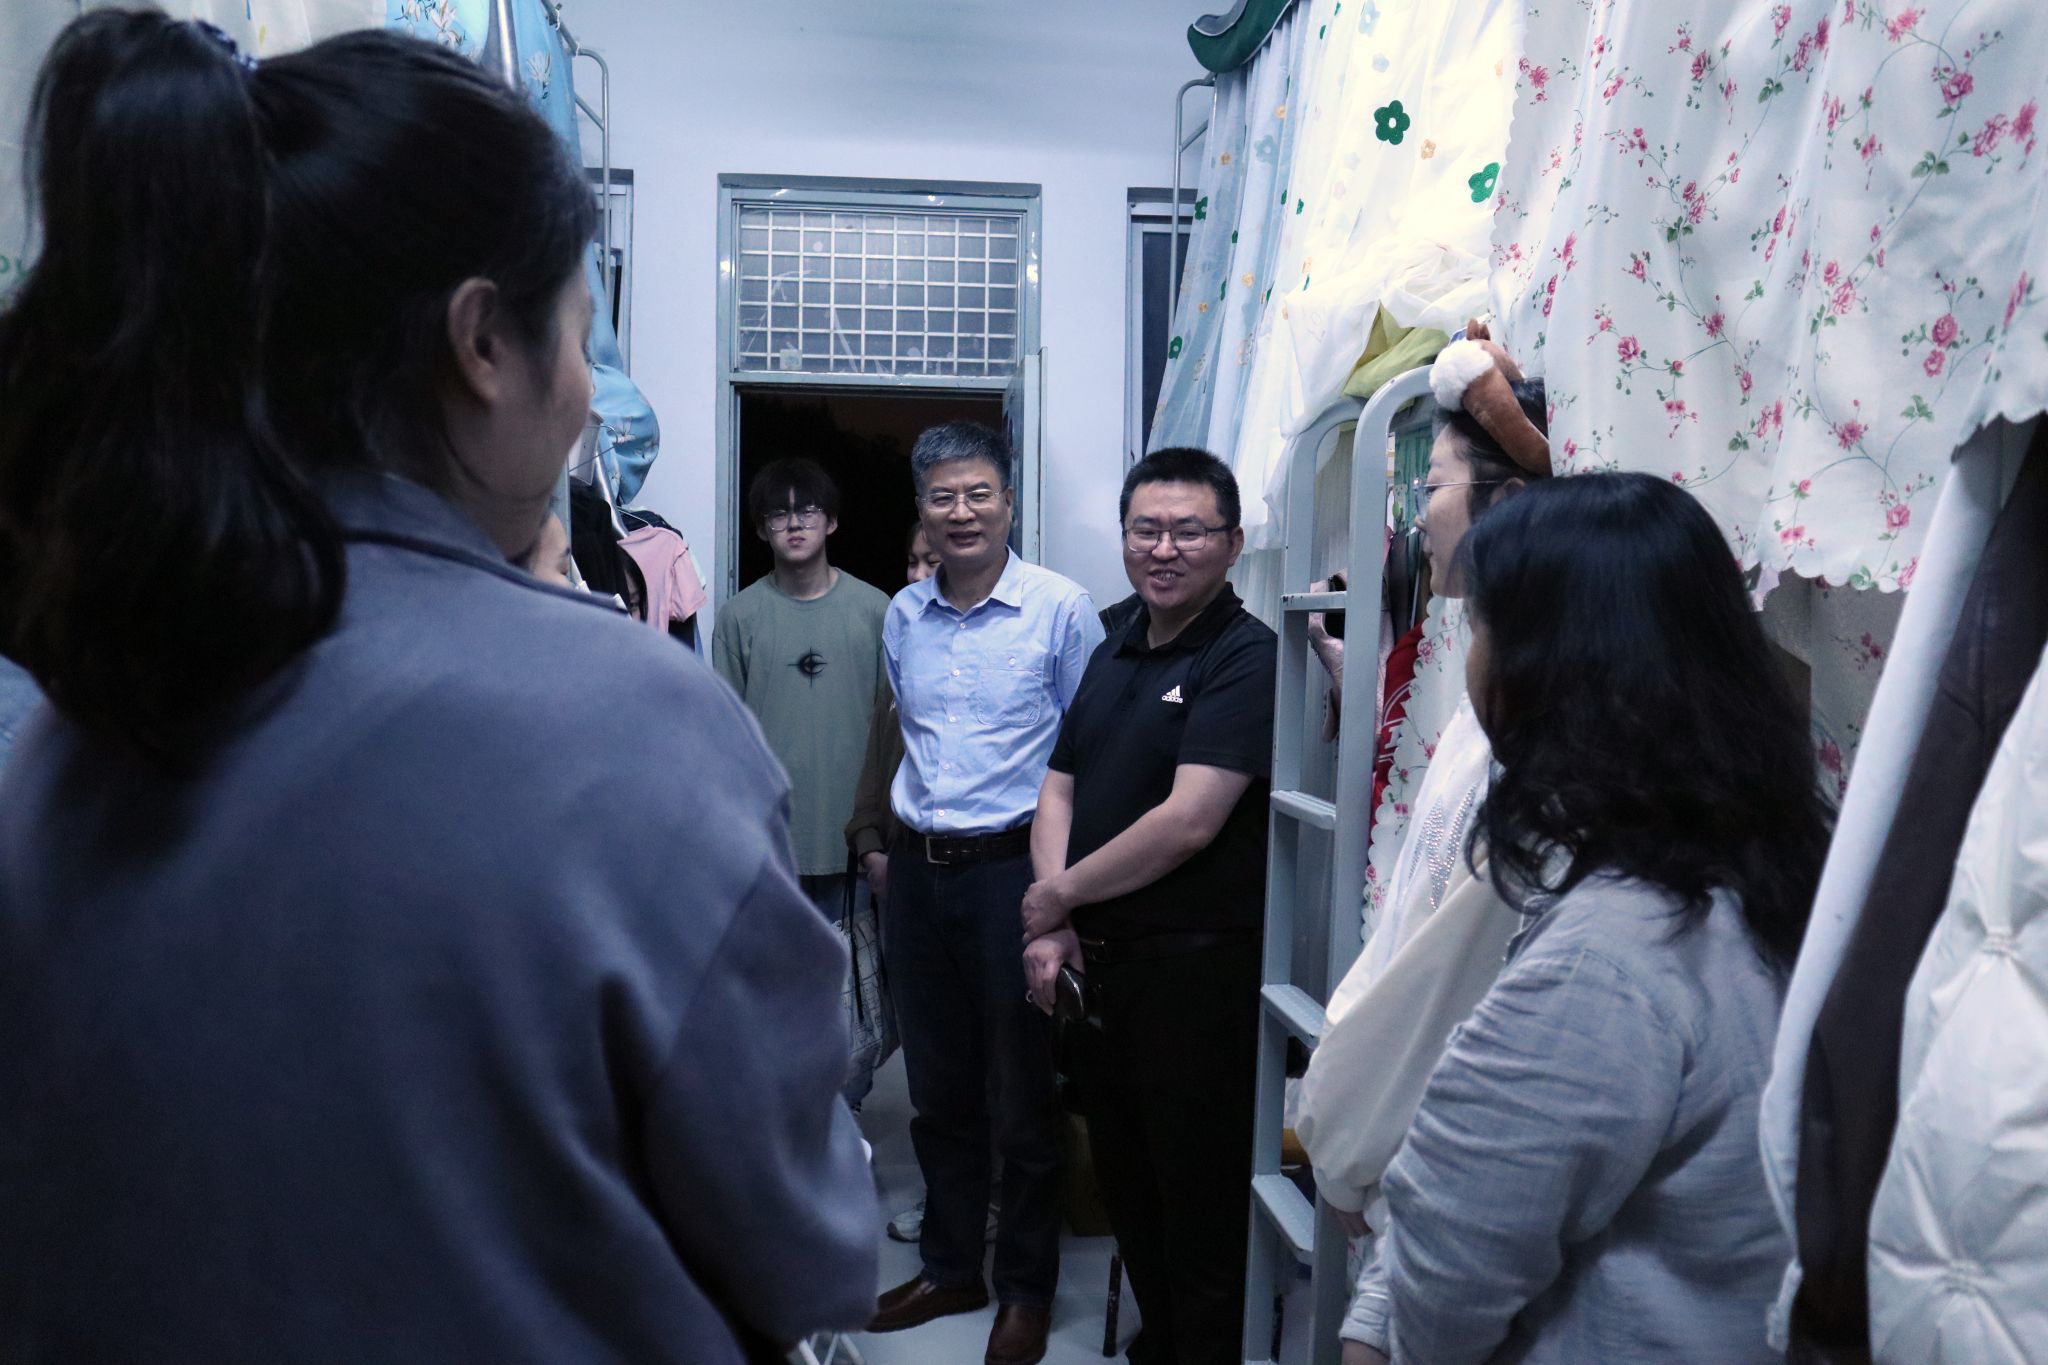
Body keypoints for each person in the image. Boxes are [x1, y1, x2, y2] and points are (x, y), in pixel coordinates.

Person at [0, 16, 875, 1363]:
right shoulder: (631, 721)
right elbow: (807, 1249)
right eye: (579, 337)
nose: (584, 396)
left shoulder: (72, 716)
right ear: (483, 344)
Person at [1341, 472, 1832, 1365]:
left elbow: (1446, 1278)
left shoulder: (1607, 955)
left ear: (1549, 666)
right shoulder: (1765, 868)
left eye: (1481, 627)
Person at [1021, 447, 1277, 1365]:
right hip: (1103, 971)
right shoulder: (1115, 639)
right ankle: (1161, 1345)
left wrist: (1058, 892)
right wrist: (1057, 920)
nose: (1164, 549)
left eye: (1189, 531)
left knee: (1197, 1201)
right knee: (1128, 1188)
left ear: (1232, 543)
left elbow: (1189, 821)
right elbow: (1059, 784)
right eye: (1146, 529)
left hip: (1195, 976)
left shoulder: (1246, 655)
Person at [1295, 336, 1549, 1239]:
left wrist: (1347, 1138)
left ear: (1506, 505)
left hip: (1436, 1169)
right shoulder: (1478, 701)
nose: (1412, 521)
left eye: (1430, 487)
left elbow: (1441, 975)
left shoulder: (1532, 741)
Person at [868, 422, 1102, 1365]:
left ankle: (1026, 1291)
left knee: (1021, 1095)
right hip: (918, 876)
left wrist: (1062, 899)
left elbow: (1088, 760)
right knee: (936, 1089)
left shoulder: (1060, 608)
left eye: (978, 493)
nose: (960, 512)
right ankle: (951, 1265)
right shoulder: (903, 615)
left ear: (1009, 500)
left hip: (1015, 873)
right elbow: (909, 741)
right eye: (942, 496)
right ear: (921, 509)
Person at [713, 457, 890, 1103]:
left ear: (832, 522)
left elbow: (895, 730)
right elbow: (724, 735)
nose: (793, 523)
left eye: (806, 510)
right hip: (771, 838)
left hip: (855, 839)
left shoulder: (875, 610)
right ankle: (789, 1113)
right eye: (778, 513)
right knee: (778, 982)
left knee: (858, 986)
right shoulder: (739, 615)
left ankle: (846, 1115)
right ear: (761, 528)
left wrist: (880, 834)